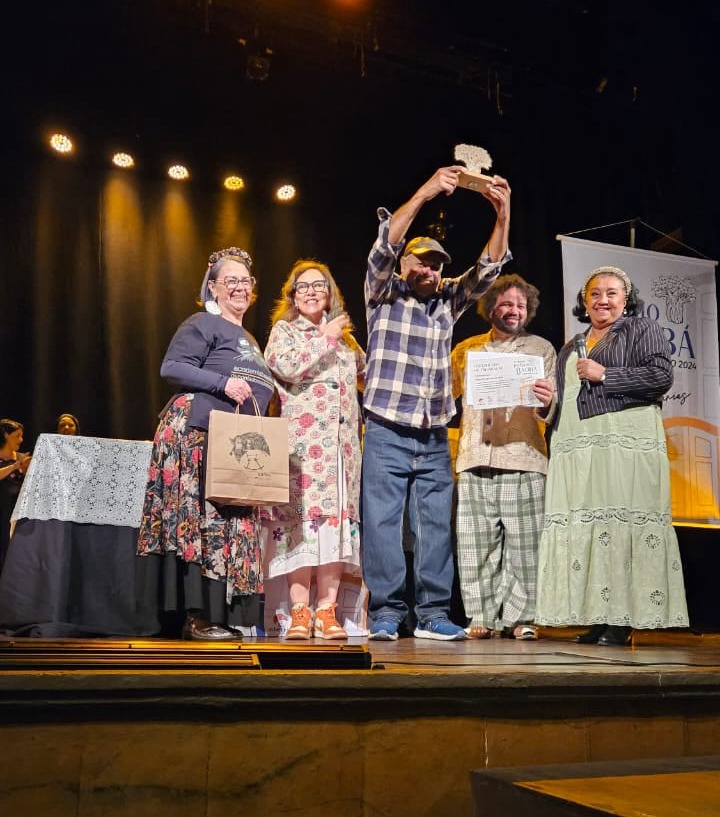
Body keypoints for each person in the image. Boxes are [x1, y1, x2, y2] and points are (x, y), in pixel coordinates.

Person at [361, 165, 512, 641]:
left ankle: (432, 614)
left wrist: (503, 213)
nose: (430, 269)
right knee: (383, 524)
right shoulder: (383, 291)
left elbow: (488, 268)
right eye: (421, 261)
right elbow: (386, 243)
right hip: (386, 427)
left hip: (430, 432)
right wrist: (427, 190)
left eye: (437, 264)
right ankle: (386, 612)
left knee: (434, 527)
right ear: (405, 262)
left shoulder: (448, 300)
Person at [535, 265, 689, 646]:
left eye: (611, 293)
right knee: (588, 527)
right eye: (595, 294)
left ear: (626, 299)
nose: (602, 300)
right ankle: (599, 615)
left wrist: (606, 375)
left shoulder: (641, 329)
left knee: (618, 523)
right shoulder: (572, 345)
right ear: (584, 302)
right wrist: (546, 404)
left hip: (621, 441)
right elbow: (568, 396)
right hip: (576, 443)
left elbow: (660, 377)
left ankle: (621, 620)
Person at [137, 246, 276, 640]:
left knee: (227, 527)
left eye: (245, 280)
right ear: (212, 288)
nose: (238, 287)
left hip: (231, 442)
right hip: (196, 433)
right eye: (228, 280)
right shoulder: (203, 322)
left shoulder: (250, 338)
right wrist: (222, 383)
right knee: (200, 523)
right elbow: (172, 367)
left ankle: (216, 614)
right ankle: (197, 616)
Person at [262, 259, 366, 640]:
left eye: (318, 285)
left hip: (341, 451)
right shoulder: (286, 331)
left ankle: (328, 610)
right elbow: (285, 367)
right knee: (302, 527)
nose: (310, 291)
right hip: (302, 451)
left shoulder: (347, 338)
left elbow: (365, 376)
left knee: (335, 530)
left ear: (330, 293)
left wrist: (341, 338)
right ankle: (300, 610)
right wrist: (326, 338)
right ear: (292, 295)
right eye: (302, 286)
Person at [451, 274, 556, 641]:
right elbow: (441, 397)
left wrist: (547, 401)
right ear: (490, 307)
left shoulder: (540, 349)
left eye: (521, 306)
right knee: (474, 544)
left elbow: (553, 407)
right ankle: (481, 615)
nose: (514, 311)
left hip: (523, 456)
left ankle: (522, 617)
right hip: (474, 456)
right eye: (507, 304)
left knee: (525, 547)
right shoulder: (466, 351)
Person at [0, 419, 32, 573]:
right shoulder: (12, 462)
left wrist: (27, 472)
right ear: (6, 435)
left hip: (16, 514)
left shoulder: (20, 458)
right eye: (17, 435)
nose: (21, 440)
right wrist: (13, 467)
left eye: (22, 436)